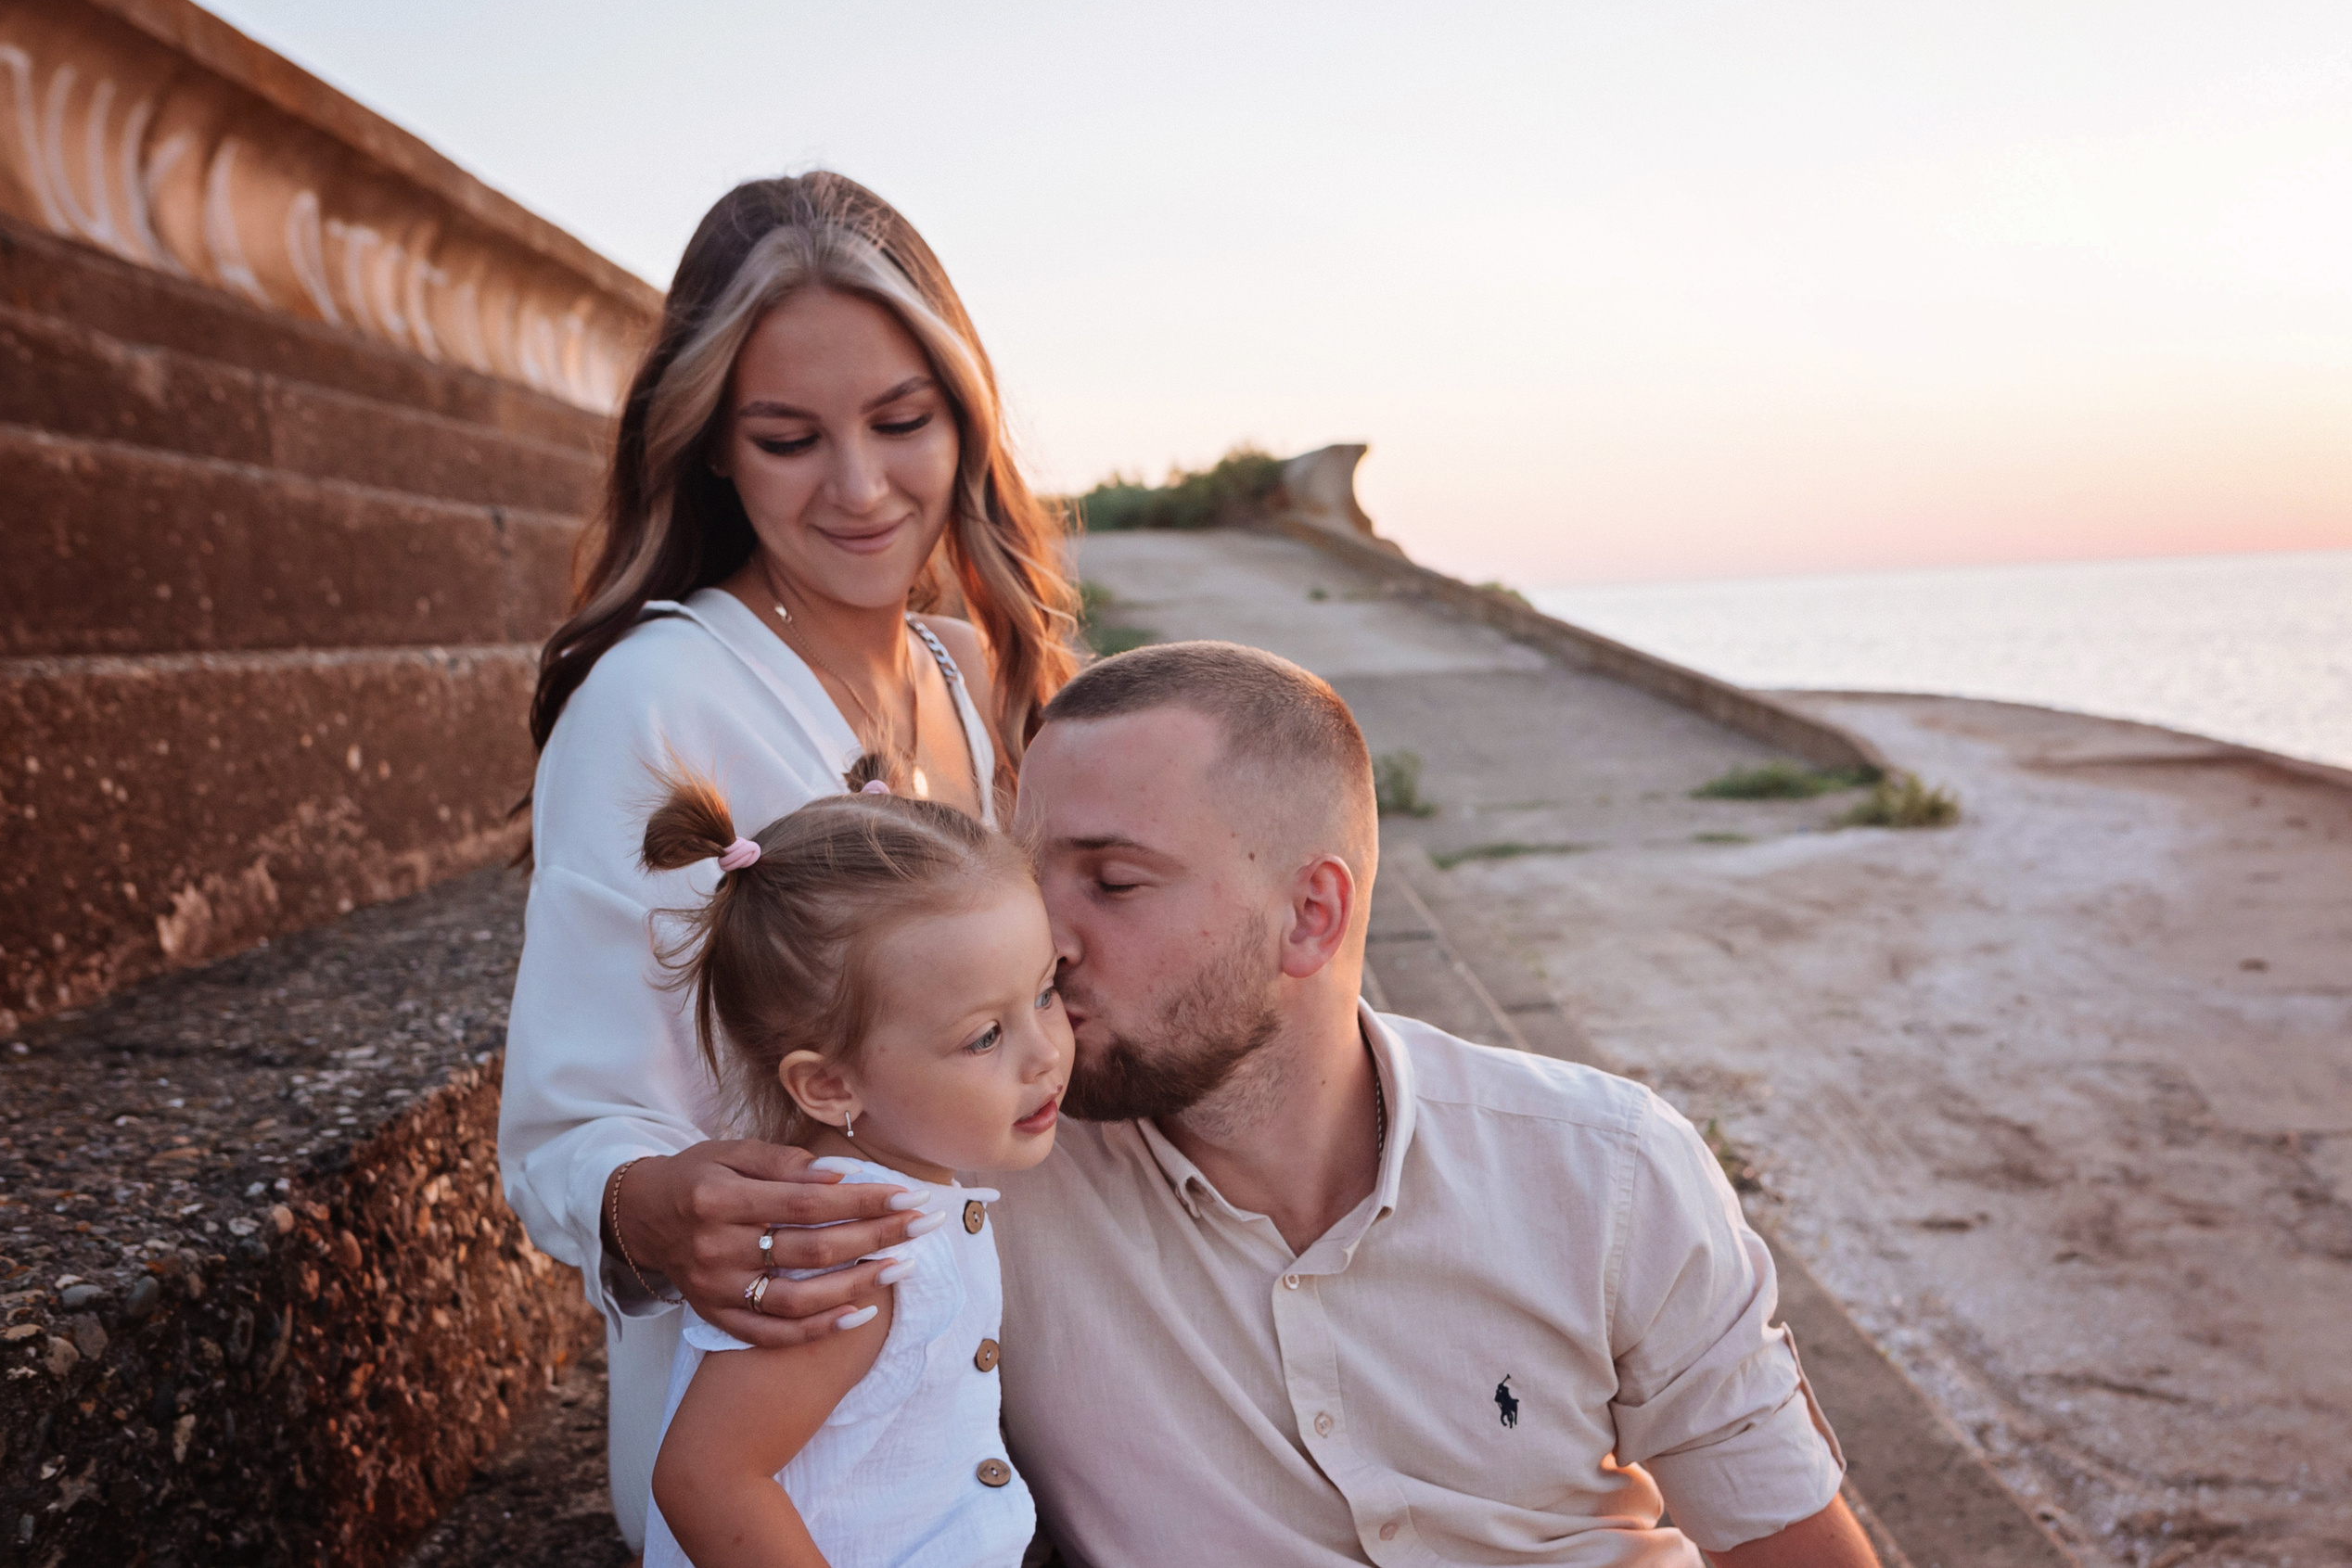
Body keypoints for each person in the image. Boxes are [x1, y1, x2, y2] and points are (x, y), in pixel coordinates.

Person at [749, 641, 1881, 1565]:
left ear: (1310, 915)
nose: (1046, 936)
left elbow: (1790, 1544)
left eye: (1113, 879)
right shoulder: (967, 1188)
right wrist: (651, 1204)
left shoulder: (1607, 1171)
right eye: (1028, 873)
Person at [496, 172, 1079, 1547]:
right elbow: (568, 1134)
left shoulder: (973, 669)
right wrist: (654, 1206)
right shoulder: (654, 704)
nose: (862, 488)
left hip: (987, 1429)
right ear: (709, 447)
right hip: (790, 1491)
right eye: (788, 438)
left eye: (901, 421)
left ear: (965, 416)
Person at [632, 771, 1069, 1568]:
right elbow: (706, 1476)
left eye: (1045, 993)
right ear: (830, 1084)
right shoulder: (847, 1251)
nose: (1046, 1054)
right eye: (984, 1037)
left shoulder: (901, 1195)